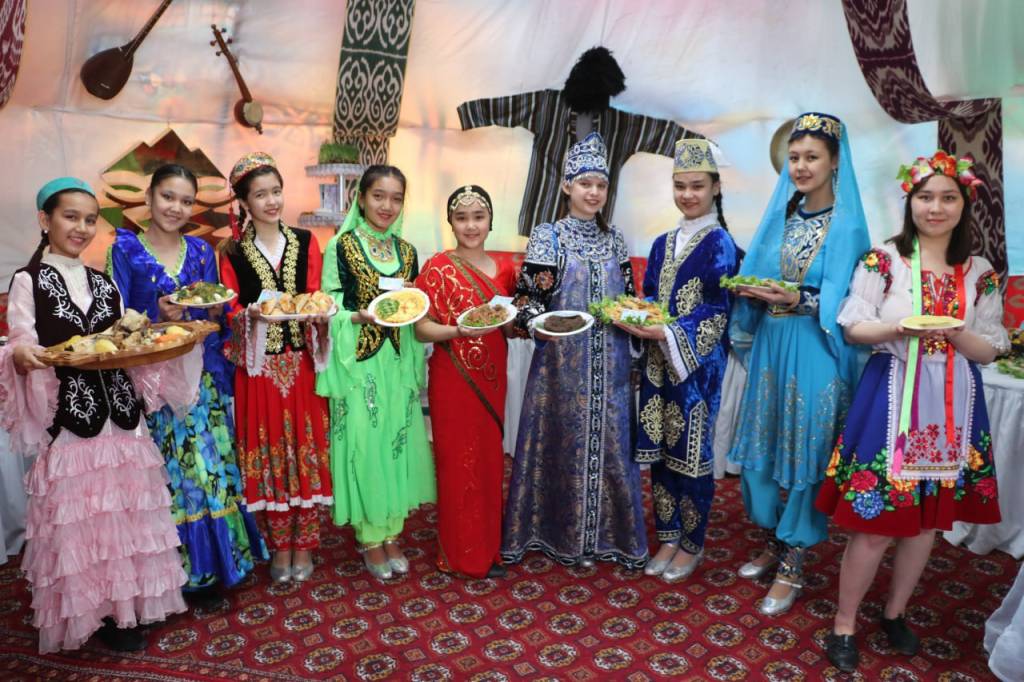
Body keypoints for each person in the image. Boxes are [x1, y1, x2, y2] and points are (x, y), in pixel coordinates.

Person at [817, 152, 1007, 672]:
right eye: (925, 197)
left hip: (953, 405)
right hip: (892, 396)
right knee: (875, 523)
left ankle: (895, 612)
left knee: (926, 523)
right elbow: (853, 326)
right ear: (910, 202)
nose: (935, 207)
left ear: (964, 204)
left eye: (948, 197)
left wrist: (956, 332)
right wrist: (898, 328)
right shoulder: (885, 260)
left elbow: (990, 348)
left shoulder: (980, 273)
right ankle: (845, 622)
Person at [1, 178, 202, 652]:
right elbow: (21, 340)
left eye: (90, 220)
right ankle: (91, 612)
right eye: (71, 217)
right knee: (85, 519)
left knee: (126, 513)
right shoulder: (28, 281)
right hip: (72, 421)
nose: (82, 228)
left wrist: (164, 324)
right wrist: (21, 356)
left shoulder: (104, 283)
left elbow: (128, 341)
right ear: (45, 220)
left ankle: (125, 612)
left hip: (123, 417)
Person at [726, 113, 870, 614]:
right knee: (762, 444)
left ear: (835, 162)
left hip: (816, 349)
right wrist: (750, 291)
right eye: (794, 157)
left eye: (812, 157)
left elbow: (851, 301)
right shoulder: (783, 217)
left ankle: (794, 561)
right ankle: (773, 538)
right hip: (772, 342)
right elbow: (758, 272)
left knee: (806, 451)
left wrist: (798, 300)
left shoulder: (847, 225)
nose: (802, 166)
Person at [108, 164, 267, 603]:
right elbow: (116, 323)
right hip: (154, 385)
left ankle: (221, 563)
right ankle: (185, 574)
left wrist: (212, 313)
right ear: (148, 197)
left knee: (210, 466)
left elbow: (214, 310)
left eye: (185, 201)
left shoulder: (200, 251)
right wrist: (156, 315)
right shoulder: (125, 250)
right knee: (175, 475)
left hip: (200, 376)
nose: (176, 208)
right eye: (168, 197)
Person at [501, 132, 647, 569]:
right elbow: (527, 303)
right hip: (562, 368)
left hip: (613, 367)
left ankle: (610, 538)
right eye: (585, 183)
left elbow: (629, 301)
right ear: (567, 186)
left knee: (612, 449)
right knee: (562, 447)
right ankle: (558, 536)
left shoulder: (616, 240)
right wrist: (537, 324)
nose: (594, 192)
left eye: (600, 185)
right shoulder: (549, 237)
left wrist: (636, 342)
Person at [618, 138, 738, 581]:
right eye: (680, 186)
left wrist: (666, 331)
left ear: (715, 188)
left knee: (691, 456)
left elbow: (717, 311)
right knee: (659, 454)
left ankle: (692, 542)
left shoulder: (721, 244)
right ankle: (668, 536)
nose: (688, 195)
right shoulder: (661, 243)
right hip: (657, 363)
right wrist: (635, 316)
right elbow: (651, 297)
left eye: (697, 186)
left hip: (696, 370)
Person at [316, 165, 435, 581]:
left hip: (397, 361)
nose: (387, 205)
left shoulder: (408, 252)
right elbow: (327, 305)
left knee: (395, 442)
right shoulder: (341, 246)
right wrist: (357, 317)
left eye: (396, 198)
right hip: (359, 363)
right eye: (379, 196)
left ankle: (391, 531)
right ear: (362, 198)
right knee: (364, 445)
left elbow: (412, 304)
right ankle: (369, 535)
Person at [219, 153, 332, 584]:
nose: (271, 201)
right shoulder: (231, 251)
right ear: (244, 202)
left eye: (276, 192)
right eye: (260, 194)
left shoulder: (305, 241)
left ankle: (305, 545)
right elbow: (229, 308)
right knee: (269, 452)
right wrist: (249, 315)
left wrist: (317, 314)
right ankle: (280, 545)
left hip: (301, 362)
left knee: (305, 447)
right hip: (259, 368)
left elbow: (315, 293)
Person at [413, 185, 516, 579]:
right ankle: (457, 556)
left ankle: (489, 550)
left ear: (491, 222)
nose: (471, 226)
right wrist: (458, 331)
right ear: (451, 223)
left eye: (479, 217)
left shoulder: (505, 270)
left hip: (493, 376)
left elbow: (508, 324)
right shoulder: (437, 267)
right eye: (462, 218)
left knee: (489, 462)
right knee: (456, 463)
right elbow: (421, 329)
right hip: (452, 377)